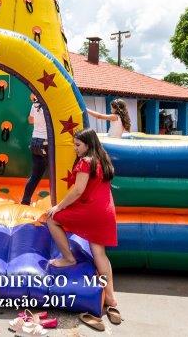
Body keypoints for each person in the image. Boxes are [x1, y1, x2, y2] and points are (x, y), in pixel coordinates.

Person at [46, 128, 122, 325]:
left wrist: (59, 206)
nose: (75, 148)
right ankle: (111, 298)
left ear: (88, 144)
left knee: (51, 219)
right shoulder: (102, 159)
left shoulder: (86, 162)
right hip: (105, 211)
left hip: (91, 211)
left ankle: (68, 258)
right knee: (99, 254)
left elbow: (78, 190)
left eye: (78, 145)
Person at [21, 95, 48, 205]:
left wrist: (38, 118)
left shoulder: (35, 105)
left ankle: (25, 201)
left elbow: (30, 120)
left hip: (35, 141)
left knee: (35, 175)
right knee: (55, 172)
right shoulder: (49, 106)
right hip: (46, 142)